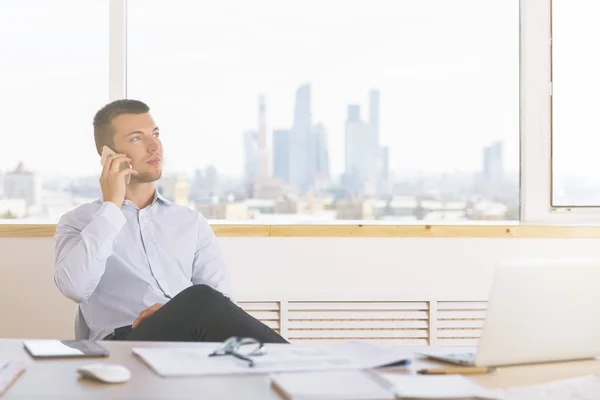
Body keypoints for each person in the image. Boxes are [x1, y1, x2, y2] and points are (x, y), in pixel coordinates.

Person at [54, 99, 287, 344]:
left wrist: (174, 312)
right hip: (125, 344)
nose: (154, 146)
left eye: (155, 134)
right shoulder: (80, 222)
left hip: (191, 342)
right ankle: (299, 365)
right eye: (136, 138)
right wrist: (112, 205)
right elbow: (75, 288)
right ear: (108, 154)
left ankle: (294, 367)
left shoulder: (190, 222)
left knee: (208, 306)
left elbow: (223, 306)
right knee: (200, 299)